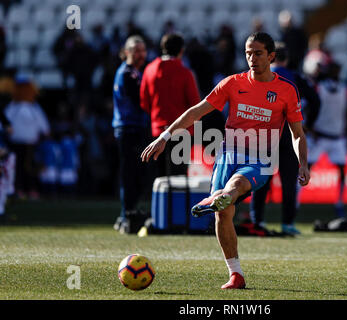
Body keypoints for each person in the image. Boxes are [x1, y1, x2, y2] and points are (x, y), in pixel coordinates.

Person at [141, 32, 310, 289]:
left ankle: (218, 197)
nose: (252, 58)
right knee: (223, 215)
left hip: (261, 159)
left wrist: (303, 163)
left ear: (272, 56)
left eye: (258, 53)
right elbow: (196, 111)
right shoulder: (233, 83)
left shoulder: (286, 90)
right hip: (227, 156)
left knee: (237, 184)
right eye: (248, 53)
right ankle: (236, 274)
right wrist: (165, 137)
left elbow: (297, 134)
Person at [247, 43, 320, 236]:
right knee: (289, 180)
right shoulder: (295, 77)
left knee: (261, 178)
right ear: (287, 59)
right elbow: (315, 99)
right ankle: (287, 223)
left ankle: (258, 221)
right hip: (289, 132)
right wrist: (308, 123)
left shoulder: (260, 75)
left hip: (265, 133)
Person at [140, 33, 201, 178]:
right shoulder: (185, 73)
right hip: (182, 132)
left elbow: (144, 102)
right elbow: (195, 105)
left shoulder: (149, 70)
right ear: (181, 50)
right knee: (178, 179)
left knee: (160, 179)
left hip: (157, 131)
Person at [112, 36, 151, 231]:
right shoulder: (127, 74)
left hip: (133, 127)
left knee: (135, 174)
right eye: (137, 50)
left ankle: (129, 213)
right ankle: (126, 215)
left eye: (143, 50)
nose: (141, 54)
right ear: (127, 52)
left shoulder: (135, 72)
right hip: (128, 128)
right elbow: (140, 101)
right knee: (129, 174)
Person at [307, 62, 347, 217]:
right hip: (319, 136)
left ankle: (339, 202)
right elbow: (308, 107)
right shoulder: (319, 87)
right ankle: (295, 202)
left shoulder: (344, 89)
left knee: (342, 169)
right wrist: (309, 128)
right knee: (306, 168)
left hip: (337, 137)